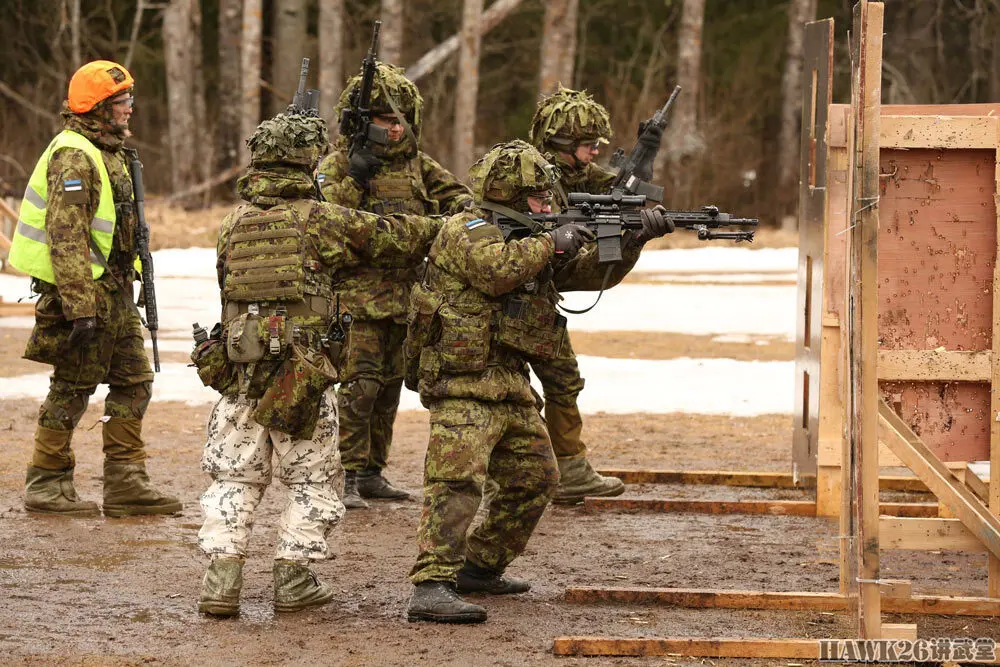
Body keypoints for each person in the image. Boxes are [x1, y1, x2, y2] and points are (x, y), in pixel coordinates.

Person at [404, 140, 672, 624]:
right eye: (539, 200)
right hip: (463, 381)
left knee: (536, 479)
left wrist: (633, 240)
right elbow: (495, 271)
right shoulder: (465, 229)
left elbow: (586, 275)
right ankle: (431, 584)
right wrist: (555, 238)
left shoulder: (529, 235)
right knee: (456, 481)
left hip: (508, 380)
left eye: (550, 201)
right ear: (505, 195)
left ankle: (479, 567)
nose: (549, 208)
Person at [195, 111, 443, 617]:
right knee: (311, 479)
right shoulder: (320, 219)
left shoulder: (232, 222)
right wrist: (451, 224)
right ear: (309, 160)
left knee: (233, 477)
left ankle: (221, 583)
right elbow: (394, 236)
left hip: (241, 371)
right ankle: (294, 578)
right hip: (303, 376)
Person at [9, 60, 181, 517]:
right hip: (85, 294)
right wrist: (79, 306)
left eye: (129, 100)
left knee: (135, 382)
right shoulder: (74, 154)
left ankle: (126, 484)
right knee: (72, 386)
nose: (130, 110)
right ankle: (47, 482)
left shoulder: (108, 150)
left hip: (116, 293)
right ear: (100, 108)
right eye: (122, 102)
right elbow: (66, 236)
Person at [317, 62, 474, 510]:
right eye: (387, 120)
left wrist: (455, 218)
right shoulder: (337, 167)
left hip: (406, 299)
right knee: (359, 387)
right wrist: (354, 179)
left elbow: (461, 198)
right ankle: (343, 473)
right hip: (357, 299)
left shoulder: (417, 167)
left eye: (401, 119)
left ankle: (371, 472)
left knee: (389, 388)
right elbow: (331, 220)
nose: (396, 129)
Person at [527, 86, 668, 504]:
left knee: (563, 381)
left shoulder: (579, 177)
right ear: (562, 144)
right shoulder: (530, 179)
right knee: (512, 394)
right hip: (507, 299)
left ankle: (569, 472)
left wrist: (645, 158)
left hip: (540, 301)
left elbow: (624, 194)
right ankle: (519, 474)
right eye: (588, 145)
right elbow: (573, 274)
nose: (594, 152)